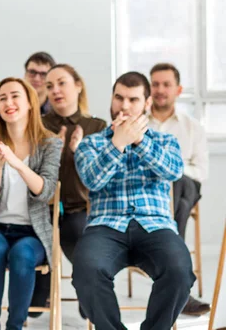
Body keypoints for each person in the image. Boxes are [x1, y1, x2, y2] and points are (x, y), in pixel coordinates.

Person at [72, 72, 195, 330]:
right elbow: (92, 181)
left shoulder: (165, 141)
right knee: (86, 270)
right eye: (119, 98)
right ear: (112, 99)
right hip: (105, 226)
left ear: (147, 103)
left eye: (133, 99)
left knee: (179, 272)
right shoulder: (90, 144)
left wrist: (139, 141)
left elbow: (173, 171)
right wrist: (117, 143)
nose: (124, 106)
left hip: (155, 226)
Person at [0, 77, 62, 330]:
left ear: (30, 102)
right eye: (2, 98)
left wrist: (16, 162)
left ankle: (15, 326)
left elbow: (45, 192)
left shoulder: (50, 143)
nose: (8, 102)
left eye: (15, 96)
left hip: (32, 231)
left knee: (22, 255)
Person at [30, 64, 106, 316]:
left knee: (79, 235)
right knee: (39, 240)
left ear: (78, 85)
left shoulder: (96, 126)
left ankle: (86, 289)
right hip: (42, 208)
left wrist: (78, 152)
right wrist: (53, 154)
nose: (55, 90)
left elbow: (101, 175)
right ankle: (40, 292)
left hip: (79, 208)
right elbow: (29, 171)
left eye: (61, 83)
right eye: (49, 86)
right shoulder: (37, 125)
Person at [149, 62, 210, 316]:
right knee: (181, 204)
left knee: (178, 183)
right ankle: (180, 287)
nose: (160, 90)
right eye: (155, 84)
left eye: (166, 84)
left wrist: (173, 168)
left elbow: (202, 171)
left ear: (178, 89)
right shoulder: (137, 123)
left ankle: (168, 269)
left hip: (186, 186)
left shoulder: (192, 126)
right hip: (152, 193)